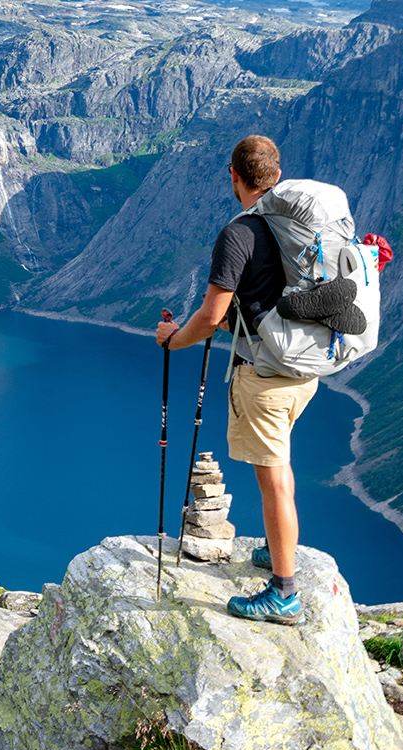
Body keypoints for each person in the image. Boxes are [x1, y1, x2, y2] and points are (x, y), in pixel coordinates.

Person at [155, 135, 317, 625]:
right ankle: (275, 548)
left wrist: (172, 340)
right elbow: (264, 304)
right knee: (280, 468)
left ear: (234, 175)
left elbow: (211, 316)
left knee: (272, 482)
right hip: (304, 369)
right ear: (276, 172)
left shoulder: (240, 234)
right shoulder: (297, 223)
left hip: (265, 378)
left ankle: (284, 593)